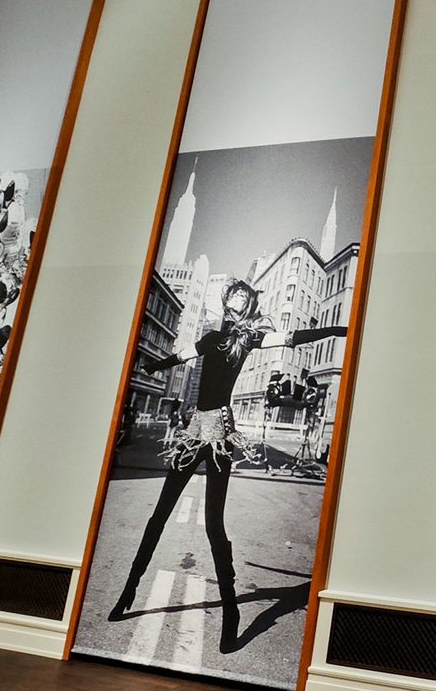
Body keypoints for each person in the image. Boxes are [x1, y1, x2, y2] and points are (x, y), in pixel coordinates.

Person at [110, 278, 345, 653]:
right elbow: (179, 357)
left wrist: (340, 330)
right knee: (159, 514)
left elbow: (294, 337)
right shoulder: (209, 339)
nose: (237, 298)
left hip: (220, 434)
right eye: (233, 294)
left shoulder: (248, 339)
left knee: (213, 525)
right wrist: (150, 366)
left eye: (243, 296)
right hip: (194, 432)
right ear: (225, 301)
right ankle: (129, 591)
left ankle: (231, 613)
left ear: (247, 305)